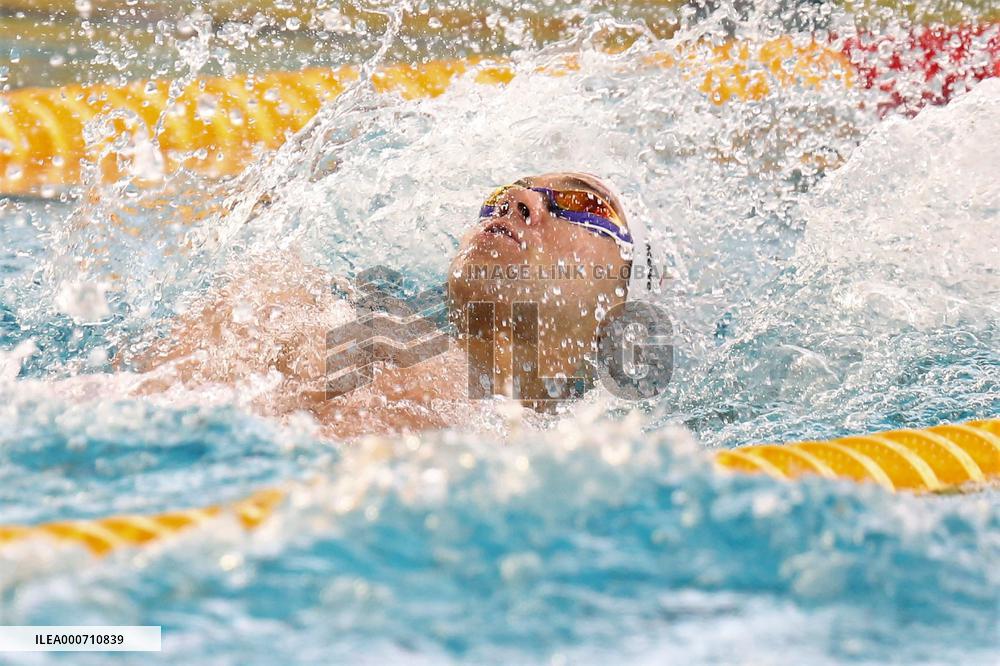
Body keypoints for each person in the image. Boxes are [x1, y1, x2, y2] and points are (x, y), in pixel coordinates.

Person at [128, 171, 649, 438]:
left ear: (623, 306)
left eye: (582, 202)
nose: (519, 201)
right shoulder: (285, 306)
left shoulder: (581, 457)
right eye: (500, 195)